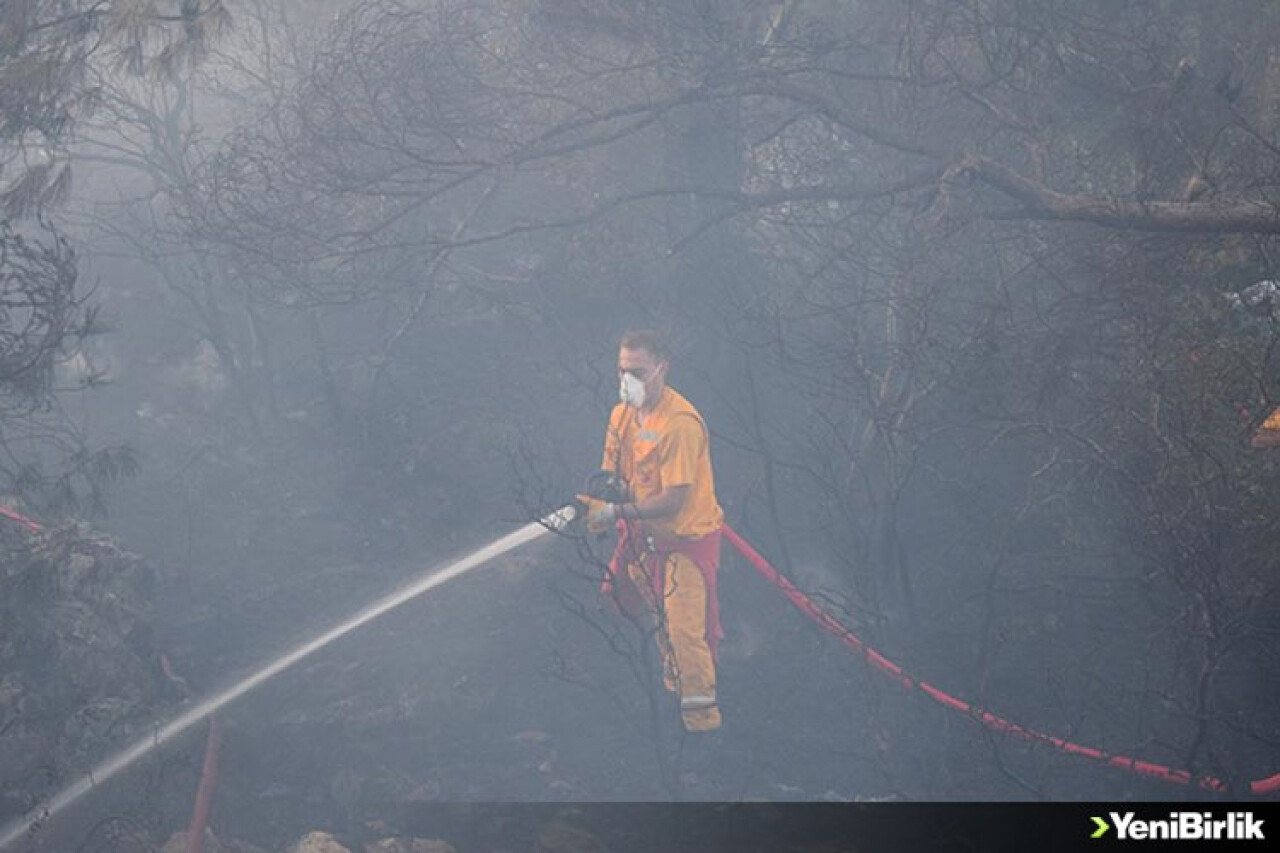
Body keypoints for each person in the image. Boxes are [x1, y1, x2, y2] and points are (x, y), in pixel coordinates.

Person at [581, 330, 725, 732]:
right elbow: (618, 477)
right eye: (622, 370)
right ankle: (672, 697)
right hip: (646, 538)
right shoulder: (622, 415)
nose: (627, 380)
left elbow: (673, 500)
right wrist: (602, 497)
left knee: (683, 631)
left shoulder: (680, 425)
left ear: (663, 367)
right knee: (659, 620)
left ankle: (702, 723)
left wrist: (614, 512)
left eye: (638, 372)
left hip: (685, 542)